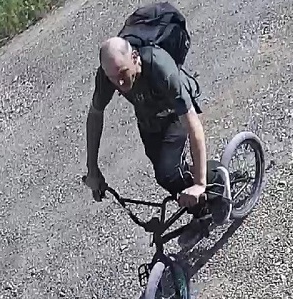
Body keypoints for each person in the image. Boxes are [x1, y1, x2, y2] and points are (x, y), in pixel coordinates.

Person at [83, 36, 232, 248]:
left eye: (123, 74)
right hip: (149, 121)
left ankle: (215, 181)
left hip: (175, 113)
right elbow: (95, 115)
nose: (121, 83)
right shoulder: (109, 74)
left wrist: (199, 184)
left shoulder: (161, 68)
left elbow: (193, 126)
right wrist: (92, 169)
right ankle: (201, 211)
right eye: (114, 78)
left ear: (135, 58)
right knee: (166, 176)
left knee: (168, 172)